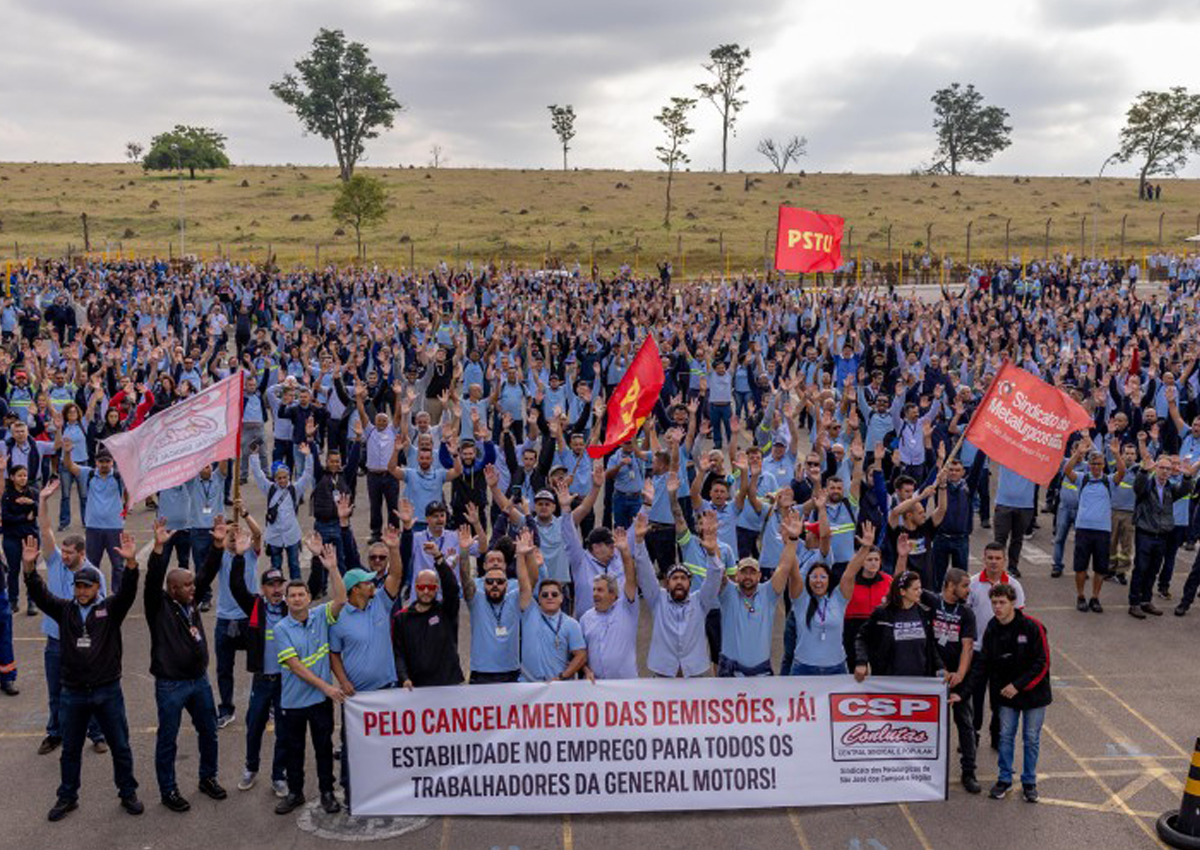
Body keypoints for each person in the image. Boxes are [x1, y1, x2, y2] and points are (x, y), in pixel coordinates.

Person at [23, 531, 145, 822]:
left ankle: (127, 792)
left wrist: (130, 565)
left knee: (121, 747)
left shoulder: (109, 610)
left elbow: (128, 592)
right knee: (71, 751)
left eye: (87, 586)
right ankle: (67, 797)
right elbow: (40, 594)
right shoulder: (64, 611)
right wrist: (28, 568)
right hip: (73, 692)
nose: (81, 591)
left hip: (107, 691)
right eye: (78, 586)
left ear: (97, 587)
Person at [143, 519, 227, 813]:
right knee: (168, 739)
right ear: (173, 588)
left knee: (209, 731)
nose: (194, 589)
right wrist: (157, 549)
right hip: (171, 685)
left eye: (193, 584)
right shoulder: (158, 605)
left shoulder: (189, 601)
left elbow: (207, 573)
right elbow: (152, 581)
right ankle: (168, 790)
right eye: (188, 586)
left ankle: (208, 778)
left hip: (199, 680)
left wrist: (217, 545)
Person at [273, 543, 347, 815]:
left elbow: (341, 600)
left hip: (319, 701)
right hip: (294, 702)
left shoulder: (319, 616)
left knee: (323, 747)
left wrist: (333, 568)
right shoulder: (282, 628)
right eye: (291, 596)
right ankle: (295, 792)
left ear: (308, 597)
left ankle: (327, 792)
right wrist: (327, 687)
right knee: (294, 749)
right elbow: (295, 666)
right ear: (286, 600)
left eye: (301, 595)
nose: (296, 599)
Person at [225, 521, 289, 797]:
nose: (276, 589)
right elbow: (236, 584)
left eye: (279, 584)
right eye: (271, 585)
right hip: (262, 680)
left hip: (287, 681)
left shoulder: (293, 608)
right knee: (254, 727)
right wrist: (239, 556)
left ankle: (279, 775)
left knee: (284, 731)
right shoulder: (254, 606)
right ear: (262, 589)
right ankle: (251, 768)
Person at [981, 583, 1052, 803]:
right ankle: (1004, 779)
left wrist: (1017, 685)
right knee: (1005, 737)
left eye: (1002, 602)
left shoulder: (1033, 626)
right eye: (994, 602)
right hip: (1006, 695)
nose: (997, 607)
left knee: (1031, 739)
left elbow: (1043, 662)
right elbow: (985, 663)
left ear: (1013, 603)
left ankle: (1029, 782)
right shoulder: (992, 627)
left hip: (1033, 694)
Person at [785, 516, 868, 676]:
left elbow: (850, 573)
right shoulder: (801, 599)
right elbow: (793, 572)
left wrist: (864, 549)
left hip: (837, 668)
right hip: (803, 668)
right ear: (807, 579)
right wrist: (793, 539)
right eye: (814, 577)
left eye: (823, 577)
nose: (818, 581)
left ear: (829, 580)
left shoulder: (838, 597)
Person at [923, 567, 979, 794]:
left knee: (965, 723)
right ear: (949, 585)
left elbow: (968, 647)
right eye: (965, 586)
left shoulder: (966, 613)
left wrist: (960, 675)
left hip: (957, 677)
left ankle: (969, 771)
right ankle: (925, 770)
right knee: (929, 723)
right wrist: (903, 557)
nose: (968, 590)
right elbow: (903, 586)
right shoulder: (933, 601)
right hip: (932, 674)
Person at [967, 542, 1026, 751]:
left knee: (999, 699)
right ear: (984, 559)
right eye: (990, 558)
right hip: (977, 650)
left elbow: (1020, 620)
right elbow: (966, 617)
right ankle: (971, 735)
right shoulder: (973, 583)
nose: (993, 562)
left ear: (1005, 560)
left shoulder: (1014, 586)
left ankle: (996, 734)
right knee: (975, 697)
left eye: (997, 558)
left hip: (1002, 655)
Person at [390, 526, 463, 688]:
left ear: (436, 589)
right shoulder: (402, 618)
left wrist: (439, 558)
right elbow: (398, 653)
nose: (426, 591)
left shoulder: (446, 611)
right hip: (417, 688)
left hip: (448, 685)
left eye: (431, 588)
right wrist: (404, 677)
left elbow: (452, 588)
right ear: (415, 587)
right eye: (422, 587)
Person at [516, 529, 588, 682]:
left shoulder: (571, 623)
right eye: (545, 595)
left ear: (562, 598)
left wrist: (562, 677)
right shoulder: (530, 612)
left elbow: (580, 655)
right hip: (527, 686)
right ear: (538, 598)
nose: (549, 597)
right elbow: (525, 584)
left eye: (554, 594)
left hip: (558, 689)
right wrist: (522, 556)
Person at [853, 565, 945, 680]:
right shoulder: (882, 614)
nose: (920, 592)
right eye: (915, 589)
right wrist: (861, 662)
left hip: (920, 681)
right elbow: (862, 637)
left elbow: (930, 645)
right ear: (902, 591)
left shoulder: (924, 613)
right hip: (889, 681)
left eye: (920, 588)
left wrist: (940, 667)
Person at [1130, 451, 1193, 618]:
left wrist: (1187, 477)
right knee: (1141, 568)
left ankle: (1146, 600)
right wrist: (1144, 471)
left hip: (1162, 535)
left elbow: (1184, 490)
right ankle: (1134, 603)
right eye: (1162, 468)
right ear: (1155, 468)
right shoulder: (1147, 485)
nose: (1165, 471)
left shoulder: (1170, 488)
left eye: (1168, 468)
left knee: (1153, 569)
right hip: (1145, 533)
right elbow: (1138, 487)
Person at [459, 526, 523, 684]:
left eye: (499, 560)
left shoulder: (515, 589)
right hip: (481, 672)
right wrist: (464, 553)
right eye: (491, 560)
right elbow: (465, 578)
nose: (495, 584)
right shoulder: (476, 591)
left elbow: (531, 582)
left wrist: (522, 555)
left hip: (510, 670)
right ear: (484, 566)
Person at [1068, 442, 1125, 613]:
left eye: (1099, 464)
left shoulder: (1108, 481)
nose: (1096, 467)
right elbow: (1066, 470)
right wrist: (1078, 453)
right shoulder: (1082, 478)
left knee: (1100, 568)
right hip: (1083, 530)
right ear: (1089, 465)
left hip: (1102, 531)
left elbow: (1121, 472)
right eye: (1093, 464)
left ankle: (1095, 597)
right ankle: (1080, 596)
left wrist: (1116, 454)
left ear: (1103, 465)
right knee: (1080, 567)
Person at [579, 525, 639, 680]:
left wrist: (625, 553)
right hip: (596, 689)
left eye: (600, 590)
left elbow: (631, 579)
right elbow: (580, 652)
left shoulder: (627, 609)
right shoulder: (585, 618)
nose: (595, 595)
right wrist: (586, 671)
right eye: (594, 590)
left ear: (613, 594)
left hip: (627, 688)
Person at [2, 463, 39, 614]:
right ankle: (13, 600)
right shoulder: (7, 495)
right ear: (12, 477)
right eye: (19, 475)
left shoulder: (33, 492)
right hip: (11, 537)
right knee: (13, 570)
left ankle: (32, 601)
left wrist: (32, 503)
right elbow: (6, 517)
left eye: (25, 475)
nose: (23, 478)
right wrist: (25, 516)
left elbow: (39, 511)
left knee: (30, 570)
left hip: (30, 537)